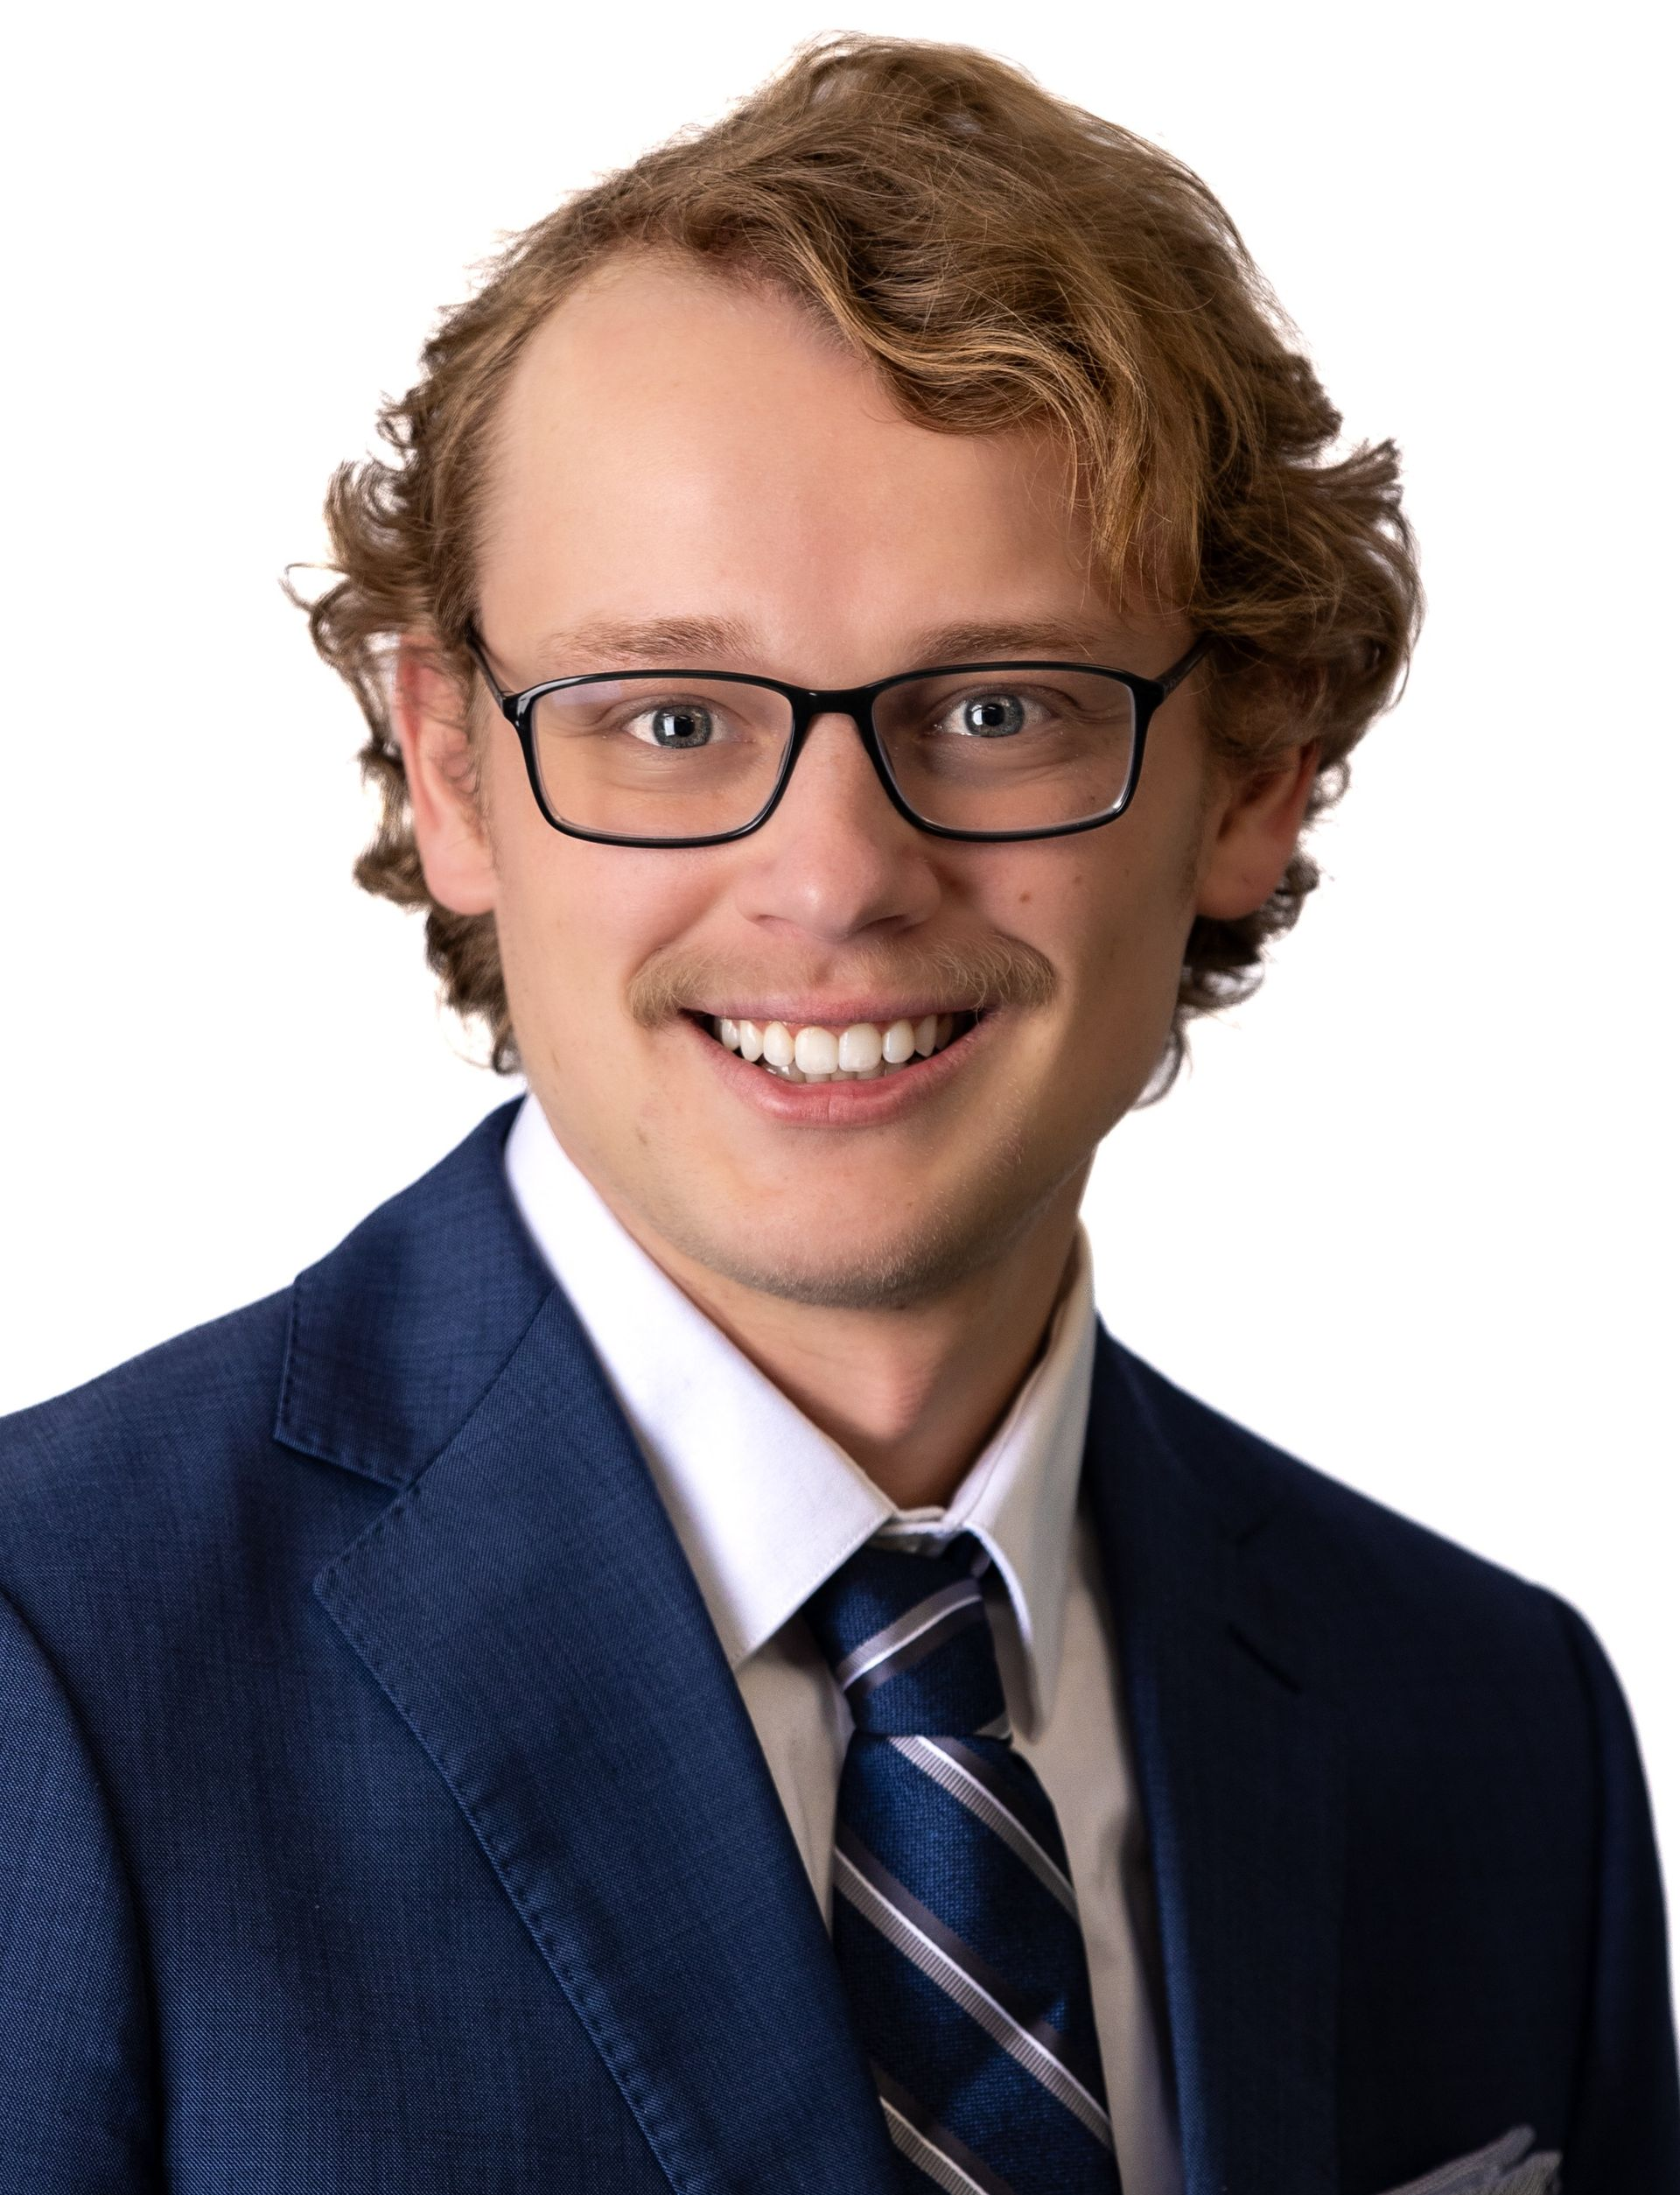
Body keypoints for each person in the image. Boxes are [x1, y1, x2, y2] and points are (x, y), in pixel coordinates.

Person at [1, 33, 1674, 2195]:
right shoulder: (49, 1671)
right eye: (672, 715)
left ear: (1255, 771)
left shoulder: (1490, 1726)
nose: (836, 874)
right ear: (449, 765)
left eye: (997, 707)